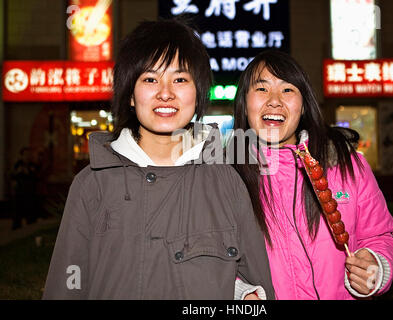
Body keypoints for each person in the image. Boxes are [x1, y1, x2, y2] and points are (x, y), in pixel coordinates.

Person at [43, 18, 275, 300]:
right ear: (130, 94)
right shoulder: (93, 183)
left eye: (179, 79)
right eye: (150, 79)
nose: (165, 93)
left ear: (198, 93)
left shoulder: (227, 182)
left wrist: (244, 294)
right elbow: (68, 284)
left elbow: (256, 285)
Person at [229, 50, 393, 300]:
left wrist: (376, 265)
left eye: (288, 90)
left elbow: (379, 235)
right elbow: (211, 258)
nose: (274, 100)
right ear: (244, 103)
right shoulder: (224, 176)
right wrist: (240, 293)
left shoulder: (346, 164)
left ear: (304, 105)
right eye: (262, 89)